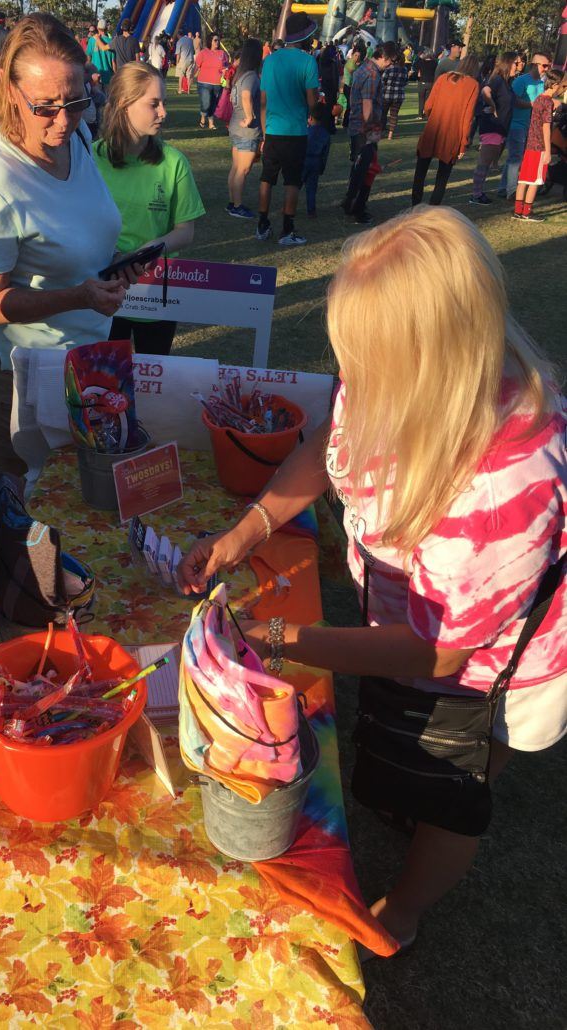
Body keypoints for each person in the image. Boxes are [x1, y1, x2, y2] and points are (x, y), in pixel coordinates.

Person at [178, 204, 566, 953]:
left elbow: (439, 653)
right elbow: (332, 440)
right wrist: (247, 529)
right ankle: (401, 796)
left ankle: (407, 908)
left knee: (454, 789)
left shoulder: (499, 485)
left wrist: (284, 638)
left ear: (425, 356)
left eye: (363, 356)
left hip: (493, 672)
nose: (347, 374)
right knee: (406, 738)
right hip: (413, 627)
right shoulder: (398, 385)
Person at [0, 13, 136, 478]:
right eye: (46, 106)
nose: (64, 119)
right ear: (9, 90)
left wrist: (115, 268)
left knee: (78, 490)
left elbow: (81, 237)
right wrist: (80, 295)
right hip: (22, 373)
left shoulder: (77, 137)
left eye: (76, 101)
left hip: (87, 356)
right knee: (29, 492)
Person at [94, 62, 205, 355]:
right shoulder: (89, 160)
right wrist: (115, 259)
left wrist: (144, 253)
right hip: (101, 292)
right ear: (123, 104)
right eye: (153, 104)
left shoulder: (174, 162)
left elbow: (186, 231)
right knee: (103, 384)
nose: (163, 113)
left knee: (152, 384)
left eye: (164, 104)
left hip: (157, 293)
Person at [256, 13, 319, 246]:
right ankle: (287, 229)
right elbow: (313, 102)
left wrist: (264, 132)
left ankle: (262, 224)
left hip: (272, 130)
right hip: (295, 132)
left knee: (267, 177)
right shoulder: (307, 61)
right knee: (292, 181)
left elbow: (263, 101)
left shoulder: (270, 60)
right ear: (306, 37)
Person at [411, 55, 480, 206]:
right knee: (442, 176)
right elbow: (467, 118)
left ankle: (415, 205)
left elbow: (428, 106)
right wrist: (463, 144)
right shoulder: (473, 85)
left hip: (433, 128)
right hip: (452, 134)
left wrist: (435, 116)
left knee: (420, 171)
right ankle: (433, 207)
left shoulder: (443, 78)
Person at [342, 40, 397, 225]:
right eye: (389, 61)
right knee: (365, 170)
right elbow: (368, 103)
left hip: (356, 125)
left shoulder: (363, 68)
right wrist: (369, 127)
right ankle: (358, 208)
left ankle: (349, 202)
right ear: (382, 57)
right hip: (364, 128)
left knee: (357, 167)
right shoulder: (373, 75)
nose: (390, 65)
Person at [470, 51, 520, 205]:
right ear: (507, 63)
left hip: (500, 128)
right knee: (484, 162)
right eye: (516, 63)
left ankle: (478, 193)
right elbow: (485, 91)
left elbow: (514, 102)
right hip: (492, 126)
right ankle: (476, 195)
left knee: (488, 161)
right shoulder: (497, 80)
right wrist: (492, 106)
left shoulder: (507, 83)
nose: (519, 66)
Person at [513, 69, 564, 221]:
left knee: (523, 179)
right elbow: (546, 127)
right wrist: (548, 151)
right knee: (535, 181)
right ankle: (527, 212)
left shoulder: (538, 99)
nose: (562, 90)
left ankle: (517, 210)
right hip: (540, 146)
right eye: (562, 86)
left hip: (530, 144)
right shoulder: (547, 102)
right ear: (555, 85)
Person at [500, 51, 551, 199]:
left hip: (531, 127)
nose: (547, 69)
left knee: (517, 157)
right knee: (515, 157)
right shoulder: (522, 81)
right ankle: (511, 191)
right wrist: (532, 105)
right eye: (545, 66)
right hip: (516, 124)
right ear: (535, 65)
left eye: (548, 66)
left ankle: (504, 188)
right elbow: (512, 100)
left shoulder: (542, 83)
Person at [226, 36, 262, 219]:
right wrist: (249, 117)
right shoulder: (251, 77)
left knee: (236, 167)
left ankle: (233, 202)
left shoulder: (240, 75)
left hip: (235, 127)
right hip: (246, 130)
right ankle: (237, 206)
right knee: (243, 169)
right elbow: (247, 95)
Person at [303, 99, 331, 216]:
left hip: (304, 160)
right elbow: (325, 153)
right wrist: (322, 167)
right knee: (312, 187)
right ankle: (311, 210)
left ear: (310, 117)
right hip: (316, 160)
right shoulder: (325, 134)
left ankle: (288, 206)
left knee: (295, 185)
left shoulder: (305, 131)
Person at [195, 32, 227, 129]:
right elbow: (196, 66)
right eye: (215, 40)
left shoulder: (223, 54)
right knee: (206, 103)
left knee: (213, 104)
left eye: (218, 40)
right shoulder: (203, 52)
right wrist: (191, 76)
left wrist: (225, 73)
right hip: (204, 83)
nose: (217, 42)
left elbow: (225, 67)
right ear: (210, 41)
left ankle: (211, 123)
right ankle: (203, 116)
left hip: (218, 84)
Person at [381, 47, 408, 139]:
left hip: (387, 94)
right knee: (394, 114)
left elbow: (383, 80)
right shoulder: (404, 69)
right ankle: (390, 134)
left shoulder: (389, 68)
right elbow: (405, 82)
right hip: (399, 95)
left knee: (383, 113)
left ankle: (381, 131)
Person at [342, 39, 366, 128]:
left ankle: (350, 122)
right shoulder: (351, 63)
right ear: (353, 55)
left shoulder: (354, 63)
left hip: (351, 87)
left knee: (353, 105)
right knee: (350, 105)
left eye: (359, 56)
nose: (357, 57)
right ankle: (346, 123)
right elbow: (353, 71)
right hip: (348, 87)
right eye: (356, 55)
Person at [86, 18, 114, 87]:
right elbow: (113, 62)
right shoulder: (111, 41)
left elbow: (88, 58)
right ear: (106, 29)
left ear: (97, 28)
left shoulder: (92, 40)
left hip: (95, 76)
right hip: (108, 77)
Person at [415, 47, 437, 118]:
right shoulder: (434, 63)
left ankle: (420, 115)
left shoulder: (421, 62)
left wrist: (419, 57)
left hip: (422, 82)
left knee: (421, 99)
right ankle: (427, 113)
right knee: (427, 100)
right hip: (431, 83)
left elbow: (415, 65)